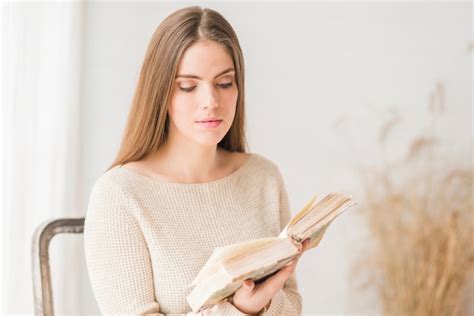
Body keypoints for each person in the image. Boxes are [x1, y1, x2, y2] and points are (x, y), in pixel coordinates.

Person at [84, 6, 310, 315]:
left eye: (225, 83)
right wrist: (240, 310)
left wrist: (265, 303)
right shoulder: (120, 194)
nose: (211, 102)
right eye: (188, 86)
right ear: (160, 92)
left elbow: (292, 304)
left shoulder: (264, 178)